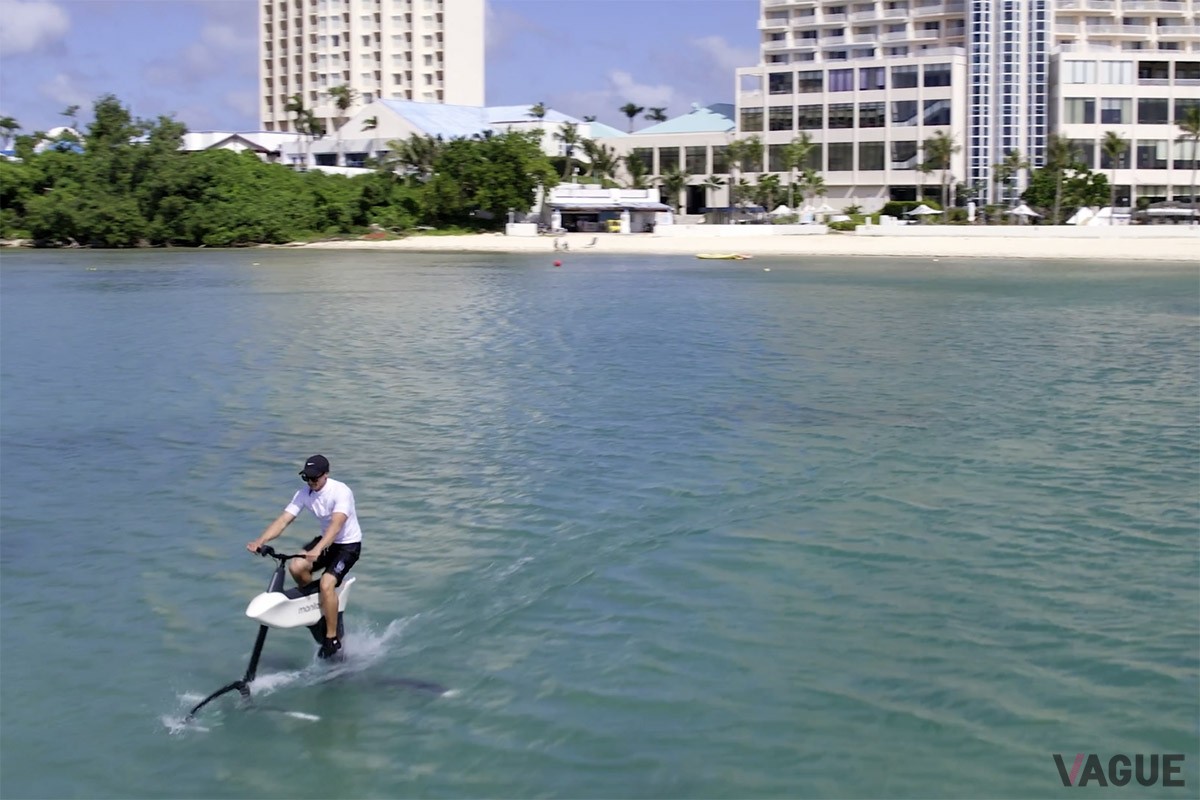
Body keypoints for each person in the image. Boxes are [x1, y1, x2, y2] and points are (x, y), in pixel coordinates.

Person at [246, 454, 362, 659]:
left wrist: (319, 548)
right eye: (306, 477)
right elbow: (284, 520)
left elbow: (336, 525)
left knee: (327, 583)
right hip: (326, 542)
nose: (310, 482)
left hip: (347, 546)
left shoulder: (341, 491)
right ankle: (318, 603)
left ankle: (332, 638)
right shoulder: (304, 493)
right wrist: (260, 541)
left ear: (326, 474)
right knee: (296, 566)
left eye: (314, 478)